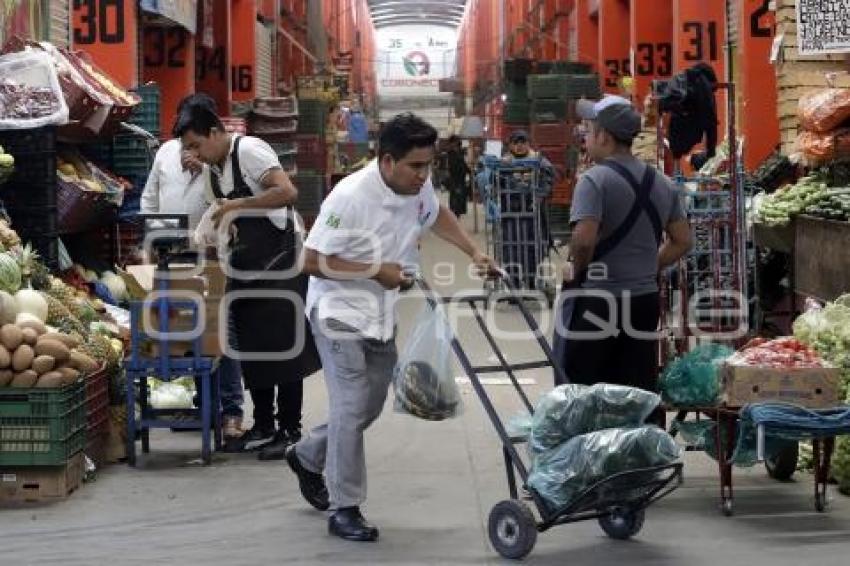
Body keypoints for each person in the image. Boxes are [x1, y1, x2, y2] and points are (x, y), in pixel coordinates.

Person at [285, 113, 496, 542]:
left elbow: (438, 215)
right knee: (349, 404)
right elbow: (308, 261)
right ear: (386, 161)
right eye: (416, 166)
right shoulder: (350, 197)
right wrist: (374, 271)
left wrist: (474, 251)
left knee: (370, 405)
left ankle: (308, 454)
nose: (424, 175)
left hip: (381, 314)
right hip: (337, 312)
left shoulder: (417, 190)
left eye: (428, 165)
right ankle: (345, 508)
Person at [173, 96, 321, 460]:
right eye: (188, 148)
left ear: (214, 131)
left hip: (281, 262)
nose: (195, 153)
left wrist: (238, 206)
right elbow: (226, 215)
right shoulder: (213, 169)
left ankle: (290, 429)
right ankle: (264, 425)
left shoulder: (250, 151)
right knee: (253, 350)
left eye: (196, 144)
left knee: (283, 348)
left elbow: (287, 191)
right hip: (244, 265)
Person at [552, 95, 691, 402]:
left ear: (604, 136)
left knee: (584, 392)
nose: (585, 136)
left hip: (599, 302)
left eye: (588, 130)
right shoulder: (663, 182)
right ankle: (633, 447)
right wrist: (647, 266)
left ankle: (591, 448)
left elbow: (584, 239)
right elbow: (683, 240)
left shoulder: (594, 181)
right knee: (635, 389)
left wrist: (576, 269)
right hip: (643, 301)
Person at [141, 94, 245, 441]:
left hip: (213, 257)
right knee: (179, 329)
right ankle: (188, 404)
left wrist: (205, 173)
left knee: (220, 332)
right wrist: (153, 240)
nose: (187, 144)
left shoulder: (220, 160)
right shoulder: (164, 154)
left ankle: (230, 411)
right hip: (172, 256)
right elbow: (149, 198)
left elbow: (226, 202)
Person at [444, 135, 470, 217]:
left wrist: (469, 171)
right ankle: (454, 214)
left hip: (461, 178)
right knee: (455, 197)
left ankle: (457, 214)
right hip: (455, 178)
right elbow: (453, 166)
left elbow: (463, 164)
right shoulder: (450, 153)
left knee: (460, 197)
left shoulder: (460, 152)